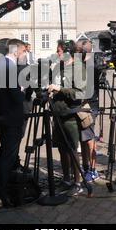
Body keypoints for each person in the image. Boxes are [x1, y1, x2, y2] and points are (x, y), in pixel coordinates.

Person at [0, 39, 26, 207]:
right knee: (8, 156)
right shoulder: (9, 67)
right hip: (12, 117)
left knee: (6, 153)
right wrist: (23, 91)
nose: (24, 55)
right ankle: (2, 194)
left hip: (3, 117)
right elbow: (16, 95)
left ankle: (4, 190)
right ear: (16, 51)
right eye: (23, 51)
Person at [49, 40, 86, 196]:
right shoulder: (58, 67)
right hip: (57, 114)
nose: (57, 53)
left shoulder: (78, 68)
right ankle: (66, 180)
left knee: (72, 149)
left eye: (59, 51)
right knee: (62, 149)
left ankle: (77, 183)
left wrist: (60, 89)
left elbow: (81, 94)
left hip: (71, 114)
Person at [77, 39, 100, 182]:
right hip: (80, 106)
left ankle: (92, 169)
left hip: (89, 106)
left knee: (89, 139)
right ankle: (85, 167)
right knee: (83, 138)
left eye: (78, 50)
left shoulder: (92, 66)